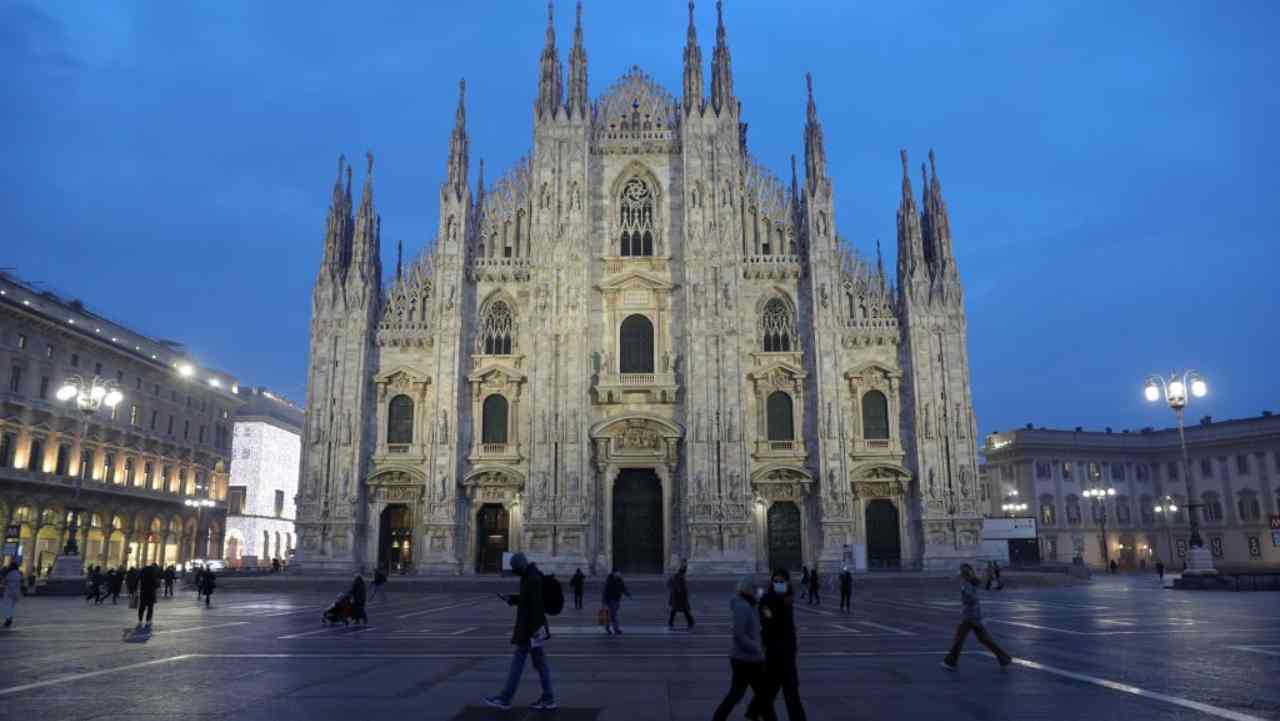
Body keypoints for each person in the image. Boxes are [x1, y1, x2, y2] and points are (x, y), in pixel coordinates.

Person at [483, 552, 556, 712]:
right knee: (541, 664)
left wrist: (535, 632)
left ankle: (505, 698)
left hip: (529, 630)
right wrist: (513, 599)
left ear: (520, 565)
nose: (514, 571)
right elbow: (528, 599)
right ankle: (548, 698)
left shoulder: (532, 578)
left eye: (515, 568)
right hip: (531, 629)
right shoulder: (530, 575)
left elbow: (536, 605)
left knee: (518, 664)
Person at [710, 577, 776, 721]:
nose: (759, 591)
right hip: (746, 659)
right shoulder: (742, 607)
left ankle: (720, 718)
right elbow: (739, 634)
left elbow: (769, 617)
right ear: (749, 589)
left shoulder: (751, 605)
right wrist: (757, 648)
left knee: (740, 694)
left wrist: (766, 607)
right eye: (756, 588)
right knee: (761, 695)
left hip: (747, 659)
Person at [747, 569, 808, 721]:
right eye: (776, 581)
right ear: (772, 583)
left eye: (782, 581)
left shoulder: (787, 599)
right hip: (775, 651)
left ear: (787, 582)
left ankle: (754, 711)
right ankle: (756, 711)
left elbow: (788, 625)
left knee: (777, 688)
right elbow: (767, 621)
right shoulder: (768, 599)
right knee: (785, 689)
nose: (779, 584)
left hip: (787, 651)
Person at [941, 563, 1012, 672]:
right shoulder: (971, 581)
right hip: (974, 615)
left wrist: (967, 597)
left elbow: (972, 596)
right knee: (984, 639)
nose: (959, 574)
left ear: (963, 573)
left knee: (959, 639)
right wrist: (992, 578)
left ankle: (951, 662)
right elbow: (987, 587)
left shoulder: (967, 583)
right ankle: (1004, 658)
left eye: (960, 572)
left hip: (969, 616)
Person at [602, 569, 632, 635]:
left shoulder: (620, 579)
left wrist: (628, 594)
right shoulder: (609, 580)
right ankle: (615, 629)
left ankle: (609, 628)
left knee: (612, 615)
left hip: (617, 600)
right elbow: (605, 591)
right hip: (610, 600)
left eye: (619, 573)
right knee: (613, 615)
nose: (619, 574)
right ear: (614, 573)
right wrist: (604, 601)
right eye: (618, 573)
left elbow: (623, 588)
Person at [667, 561, 695, 630]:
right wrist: (677, 589)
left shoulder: (678, 576)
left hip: (678, 597)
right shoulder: (678, 577)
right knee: (681, 610)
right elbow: (671, 584)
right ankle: (690, 622)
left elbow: (670, 584)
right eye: (684, 571)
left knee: (677, 610)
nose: (685, 573)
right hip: (678, 597)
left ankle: (690, 621)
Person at [136, 562, 160, 630]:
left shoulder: (143, 571)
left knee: (142, 607)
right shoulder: (154, 573)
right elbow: (156, 584)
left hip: (143, 592)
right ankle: (148, 621)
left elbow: (138, 579)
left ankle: (140, 620)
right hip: (151, 593)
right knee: (150, 607)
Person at [1, 560, 23, 628]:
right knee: (11, 607)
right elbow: (20, 583)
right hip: (16, 592)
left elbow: (4, 582)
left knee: (7, 606)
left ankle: (8, 619)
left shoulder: (9, 574)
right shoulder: (18, 574)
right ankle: (9, 619)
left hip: (9, 592)